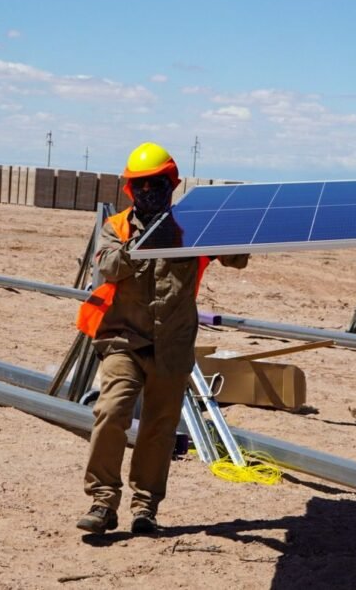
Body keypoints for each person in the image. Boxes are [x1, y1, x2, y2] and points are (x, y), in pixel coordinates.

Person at [74, 142, 249, 535]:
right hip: (125, 342)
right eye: (142, 186)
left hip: (172, 346)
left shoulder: (194, 229)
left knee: (159, 427)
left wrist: (232, 224)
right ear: (130, 191)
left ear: (173, 184)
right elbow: (109, 265)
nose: (150, 192)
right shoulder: (116, 227)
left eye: (158, 184)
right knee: (112, 411)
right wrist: (146, 240)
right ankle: (103, 501)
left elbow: (237, 258)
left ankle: (145, 507)